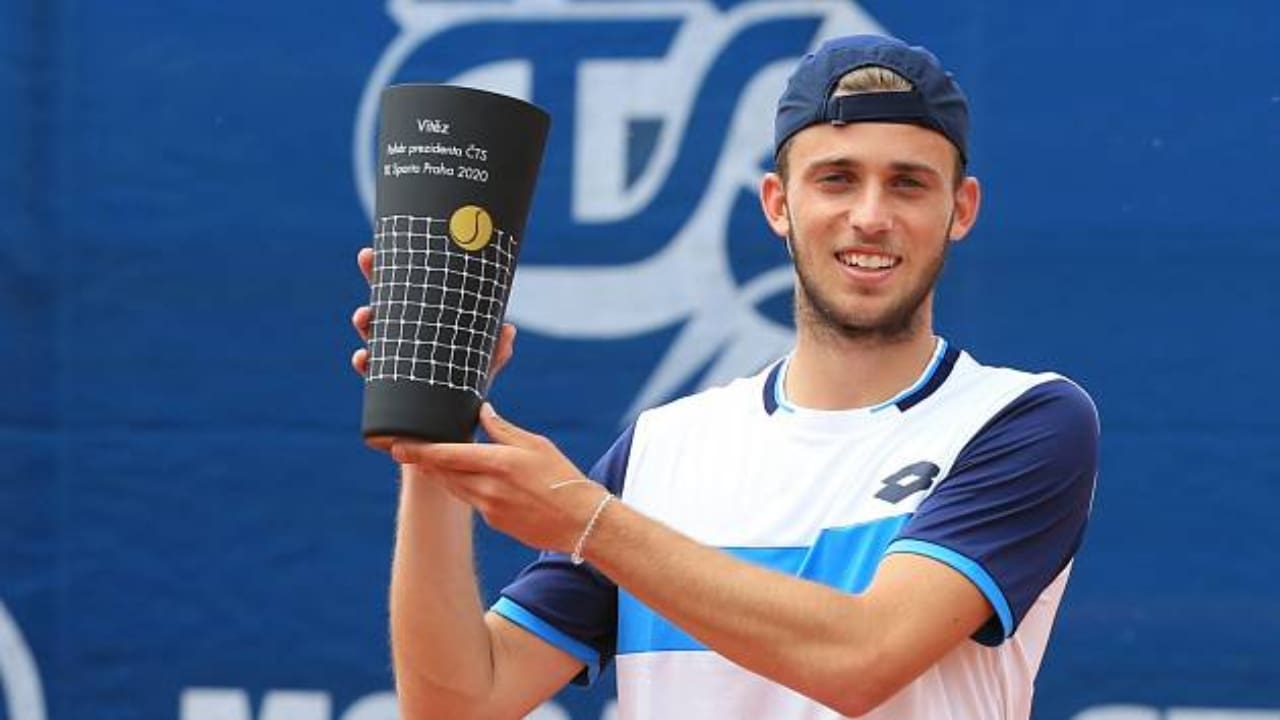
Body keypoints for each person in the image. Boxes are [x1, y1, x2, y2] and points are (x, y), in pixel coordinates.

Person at [350, 34, 1099, 720]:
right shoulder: (663, 447)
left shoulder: (1022, 419)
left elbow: (862, 659)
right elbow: (456, 705)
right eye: (836, 179)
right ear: (778, 203)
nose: (870, 216)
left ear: (960, 209)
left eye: (907, 184)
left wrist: (589, 520)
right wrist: (431, 430)